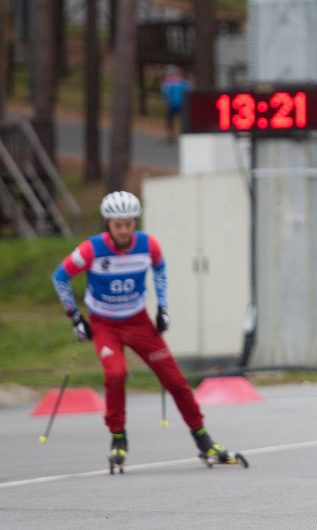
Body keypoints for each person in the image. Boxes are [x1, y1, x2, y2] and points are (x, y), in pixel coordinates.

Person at [52, 191, 232, 469]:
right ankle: (118, 438)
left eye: (129, 224)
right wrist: (74, 316)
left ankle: (203, 439)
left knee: (174, 379)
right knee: (116, 373)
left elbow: (160, 270)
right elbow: (60, 276)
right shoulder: (91, 249)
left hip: (138, 321)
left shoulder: (148, 245)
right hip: (105, 323)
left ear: (135, 222)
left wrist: (163, 308)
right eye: (117, 225)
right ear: (108, 224)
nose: (124, 230)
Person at [160, 65, 192, 141]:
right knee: (178, 119)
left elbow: (164, 94)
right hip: (180, 105)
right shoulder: (183, 83)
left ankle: (172, 134)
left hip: (175, 105)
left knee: (171, 119)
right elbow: (189, 89)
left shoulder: (168, 84)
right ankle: (176, 133)